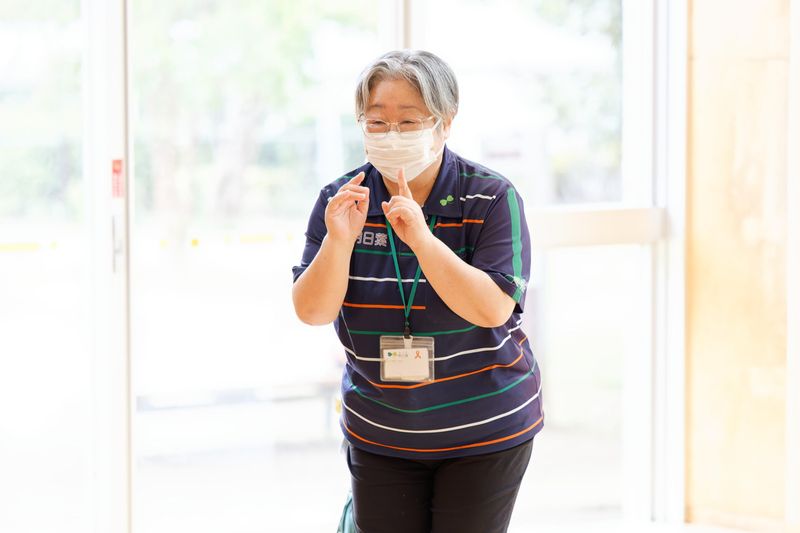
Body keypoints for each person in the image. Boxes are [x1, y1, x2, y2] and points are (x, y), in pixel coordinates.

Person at [291, 50, 543, 533]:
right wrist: (339, 242)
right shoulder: (341, 200)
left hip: (484, 428)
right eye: (376, 122)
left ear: (445, 123)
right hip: (381, 430)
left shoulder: (490, 197)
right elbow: (312, 310)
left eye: (408, 121)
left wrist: (423, 240)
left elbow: (493, 308)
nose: (391, 134)